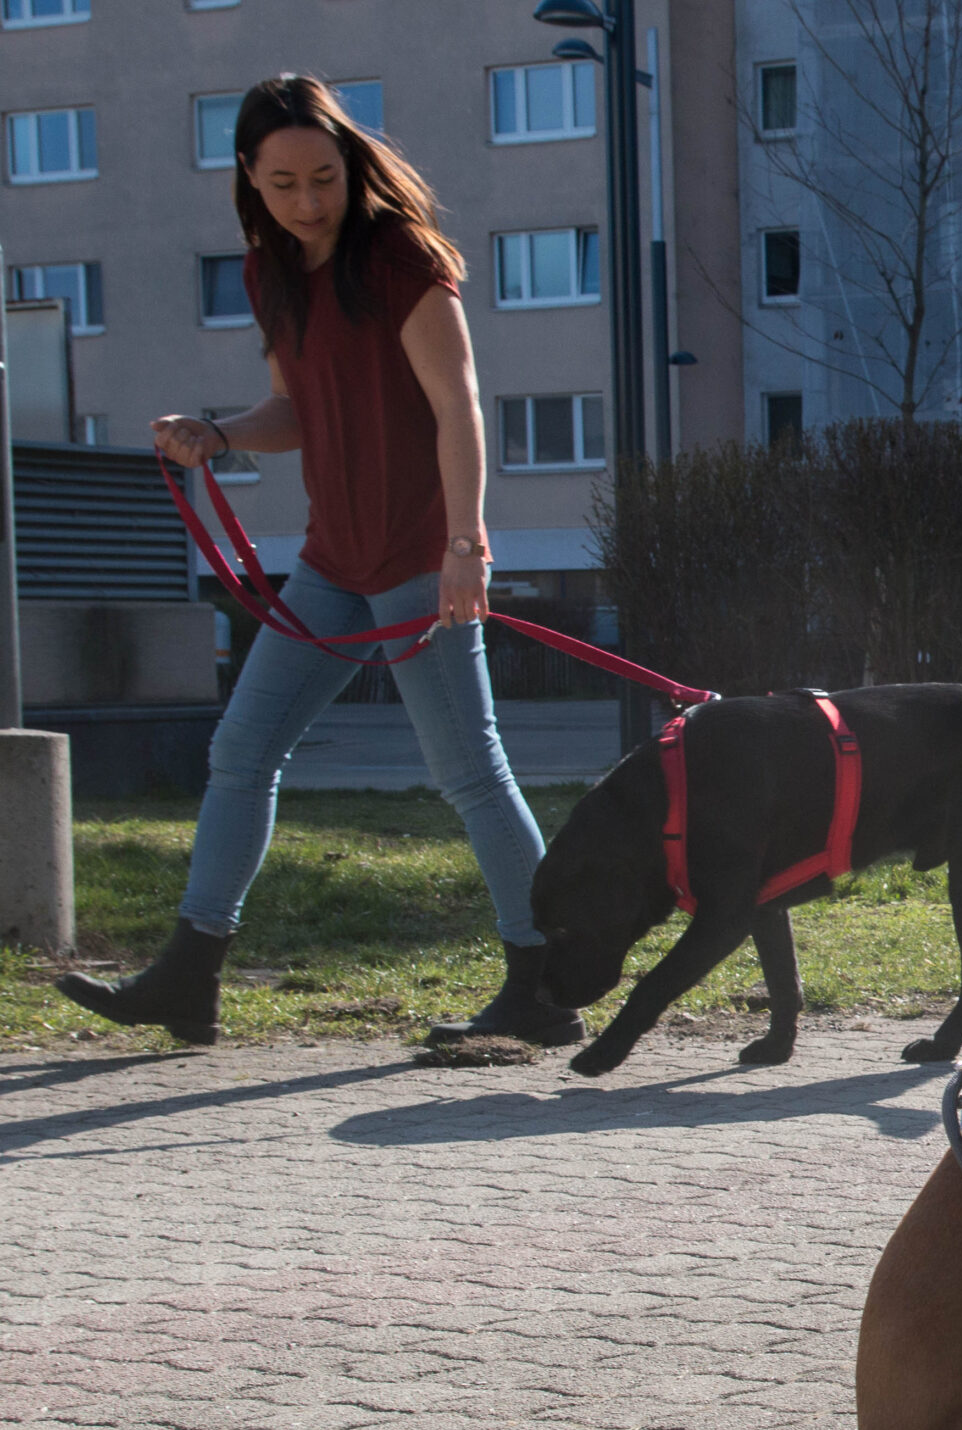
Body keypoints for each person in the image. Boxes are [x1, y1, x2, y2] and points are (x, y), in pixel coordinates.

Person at [56, 76, 581, 1052]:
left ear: (351, 165)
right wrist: (215, 433)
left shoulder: (403, 258)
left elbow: (459, 407)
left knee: (469, 774)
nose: (307, 200)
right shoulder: (271, 274)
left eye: (325, 178)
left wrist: (467, 545)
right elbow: (295, 415)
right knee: (240, 752)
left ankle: (541, 983)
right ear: (249, 180)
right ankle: (190, 975)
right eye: (284, 182)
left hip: (422, 558)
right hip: (332, 563)